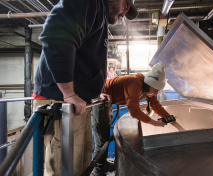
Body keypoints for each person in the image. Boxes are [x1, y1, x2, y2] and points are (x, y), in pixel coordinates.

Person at [32, 0, 138, 175]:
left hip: (78, 103)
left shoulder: (99, 14)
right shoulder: (90, 2)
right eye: (125, 4)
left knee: (82, 164)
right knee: (66, 169)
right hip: (61, 101)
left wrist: (96, 94)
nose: (124, 12)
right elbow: (56, 35)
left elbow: (83, 60)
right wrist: (68, 93)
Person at [92, 62, 184, 176]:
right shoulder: (134, 83)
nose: (156, 93)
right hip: (100, 99)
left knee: (105, 136)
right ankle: (97, 171)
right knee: (102, 139)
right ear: (149, 84)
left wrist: (176, 125)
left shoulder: (148, 90)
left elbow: (158, 108)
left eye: (158, 91)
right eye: (155, 90)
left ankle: (103, 164)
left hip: (109, 101)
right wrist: (155, 123)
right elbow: (134, 111)